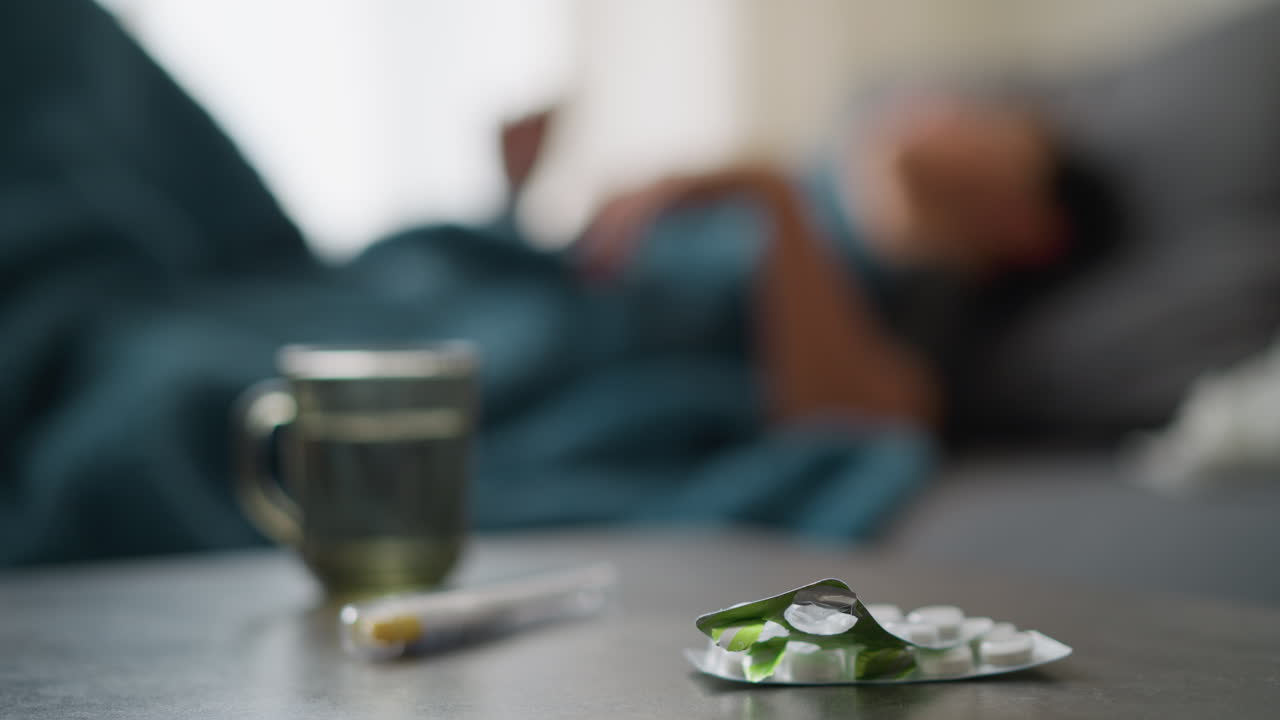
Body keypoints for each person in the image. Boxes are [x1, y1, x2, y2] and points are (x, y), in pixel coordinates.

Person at [0, 0, 1069, 565]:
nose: (924, 109)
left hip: (477, 361)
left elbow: (855, 420)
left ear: (1028, 225)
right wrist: (513, 201)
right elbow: (567, 288)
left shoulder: (912, 294)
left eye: (978, 124)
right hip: (398, 291)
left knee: (134, 358)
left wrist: (774, 202)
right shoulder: (800, 194)